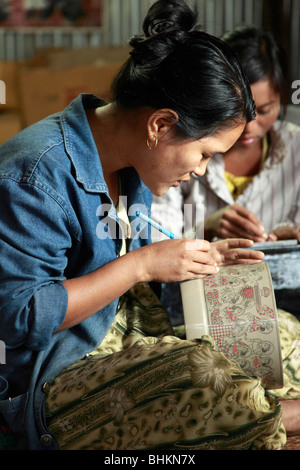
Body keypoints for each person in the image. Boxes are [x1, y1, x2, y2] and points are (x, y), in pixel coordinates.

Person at [0, 1, 292, 450]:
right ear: (160, 125)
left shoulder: (128, 159)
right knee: (215, 381)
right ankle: (275, 412)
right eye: (204, 154)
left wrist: (198, 252)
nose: (200, 171)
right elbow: (19, 317)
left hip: (125, 329)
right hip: (54, 373)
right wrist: (142, 265)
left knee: (283, 331)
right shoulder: (35, 173)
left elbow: (119, 247)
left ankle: (274, 410)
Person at [151, 24, 300, 442]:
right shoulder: (180, 143)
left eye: (267, 110)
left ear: (284, 101)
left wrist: (289, 237)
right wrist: (204, 229)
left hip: (284, 304)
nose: (251, 125)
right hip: (195, 310)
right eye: (245, 109)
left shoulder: (297, 152)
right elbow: (148, 234)